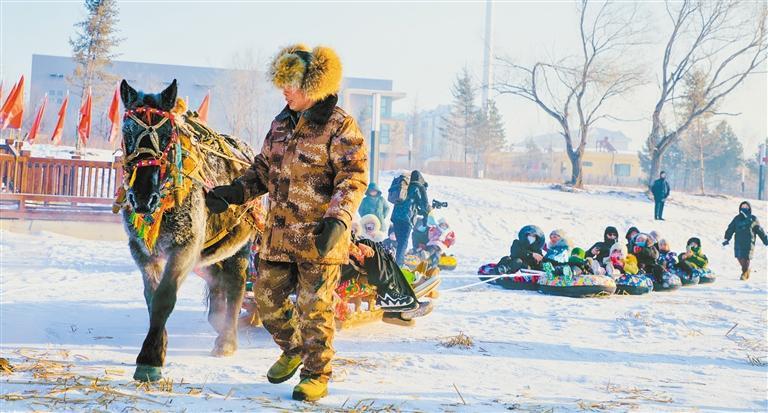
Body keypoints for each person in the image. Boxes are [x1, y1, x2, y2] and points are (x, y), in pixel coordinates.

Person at [204, 44, 367, 401]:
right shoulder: (280, 125)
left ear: (312, 86)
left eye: (290, 84)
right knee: (266, 301)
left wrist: (338, 220)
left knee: (314, 309)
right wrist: (233, 192)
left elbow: (353, 177)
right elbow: (263, 171)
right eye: (282, 84)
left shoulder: (339, 125)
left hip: (319, 238)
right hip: (278, 237)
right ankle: (293, 349)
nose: (284, 91)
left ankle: (315, 374)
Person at [390, 170, 431, 266]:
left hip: (395, 217)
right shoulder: (418, 188)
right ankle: (399, 265)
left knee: (399, 241)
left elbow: (409, 204)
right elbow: (424, 206)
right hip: (407, 219)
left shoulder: (403, 187)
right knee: (403, 242)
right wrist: (429, 209)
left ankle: (394, 262)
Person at [723, 201, 768, 280]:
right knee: (739, 257)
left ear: (749, 208)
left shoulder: (753, 218)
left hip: (749, 242)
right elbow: (731, 228)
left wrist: (765, 240)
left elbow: (760, 230)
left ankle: (744, 274)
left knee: (746, 258)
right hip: (738, 242)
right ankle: (747, 271)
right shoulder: (737, 218)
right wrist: (727, 238)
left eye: (746, 207)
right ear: (740, 208)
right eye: (743, 206)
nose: (744, 208)